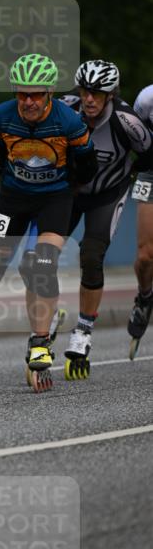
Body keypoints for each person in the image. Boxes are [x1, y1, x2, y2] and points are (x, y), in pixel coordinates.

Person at [0, 52, 98, 392]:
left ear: (49, 94)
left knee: (41, 267)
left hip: (55, 198)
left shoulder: (70, 123)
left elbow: (87, 168)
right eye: (22, 94)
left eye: (36, 95)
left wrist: (64, 188)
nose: (28, 101)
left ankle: (40, 341)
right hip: (13, 196)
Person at [58, 61, 153, 376]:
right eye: (85, 91)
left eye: (97, 93)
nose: (89, 99)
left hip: (108, 195)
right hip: (71, 192)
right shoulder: (64, 109)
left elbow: (150, 153)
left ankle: (83, 331)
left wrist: (132, 171)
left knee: (92, 254)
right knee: (42, 253)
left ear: (110, 94)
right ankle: (45, 317)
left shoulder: (128, 121)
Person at [127, 83, 153, 357]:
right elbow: (133, 136)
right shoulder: (147, 97)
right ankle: (145, 297)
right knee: (146, 256)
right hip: (151, 174)